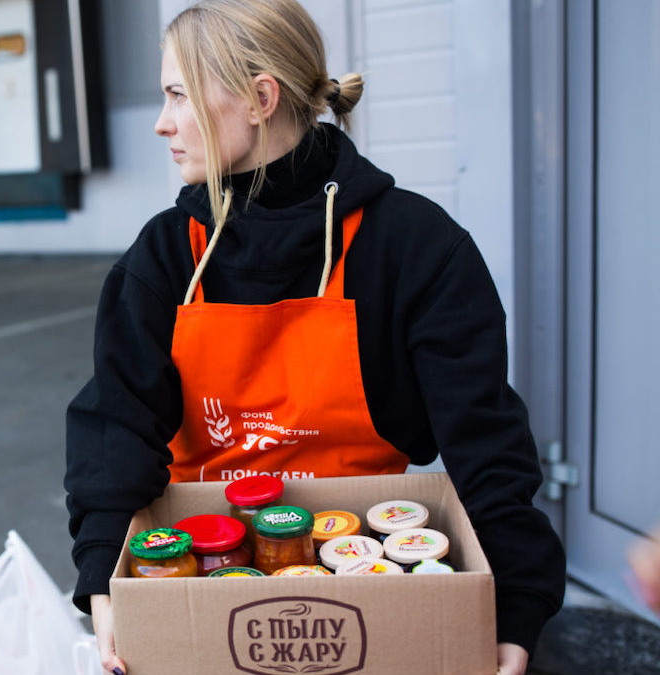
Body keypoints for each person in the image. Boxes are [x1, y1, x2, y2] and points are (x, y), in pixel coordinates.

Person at [62, 1, 566, 674]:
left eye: (178, 95)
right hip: (194, 577)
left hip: (365, 567)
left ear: (260, 98)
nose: (161, 123)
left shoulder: (414, 248)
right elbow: (112, 433)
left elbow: (487, 445)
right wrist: (104, 581)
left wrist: (515, 607)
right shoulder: (163, 258)